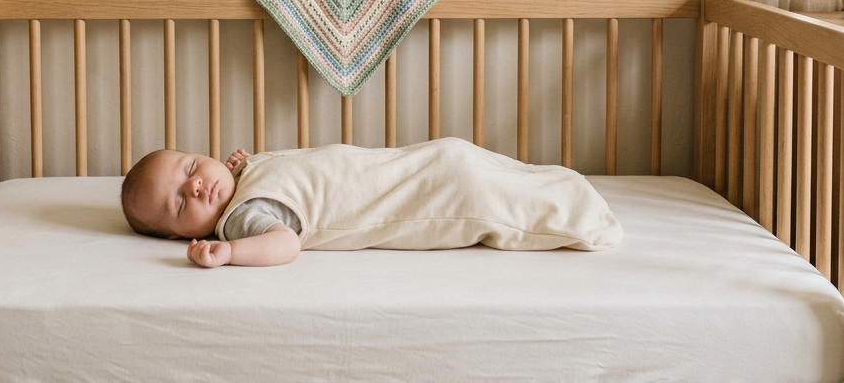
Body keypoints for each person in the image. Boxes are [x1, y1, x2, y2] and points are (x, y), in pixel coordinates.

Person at [120, 137, 622, 268]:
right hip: (413, 197)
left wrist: (240, 167)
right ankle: (579, 219)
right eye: (183, 204)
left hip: (407, 164)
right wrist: (231, 254)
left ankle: (561, 184)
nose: (197, 187)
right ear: (185, 236)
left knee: (462, 157)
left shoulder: (242, 177)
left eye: (190, 169)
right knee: (480, 194)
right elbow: (285, 244)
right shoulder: (239, 222)